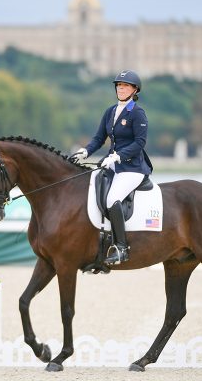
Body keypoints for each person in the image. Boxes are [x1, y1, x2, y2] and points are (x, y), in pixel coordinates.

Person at [70, 70, 152, 265]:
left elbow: (140, 143)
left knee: (112, 198)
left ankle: (122, 248)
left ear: (134, 90)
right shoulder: (110, 111)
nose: (121, 89)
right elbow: (99, 138)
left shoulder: (137, 113)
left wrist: (118, 156)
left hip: (132, 168)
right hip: (112, 164)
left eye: (125, 86)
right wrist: (85, 152)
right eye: (119, 86)